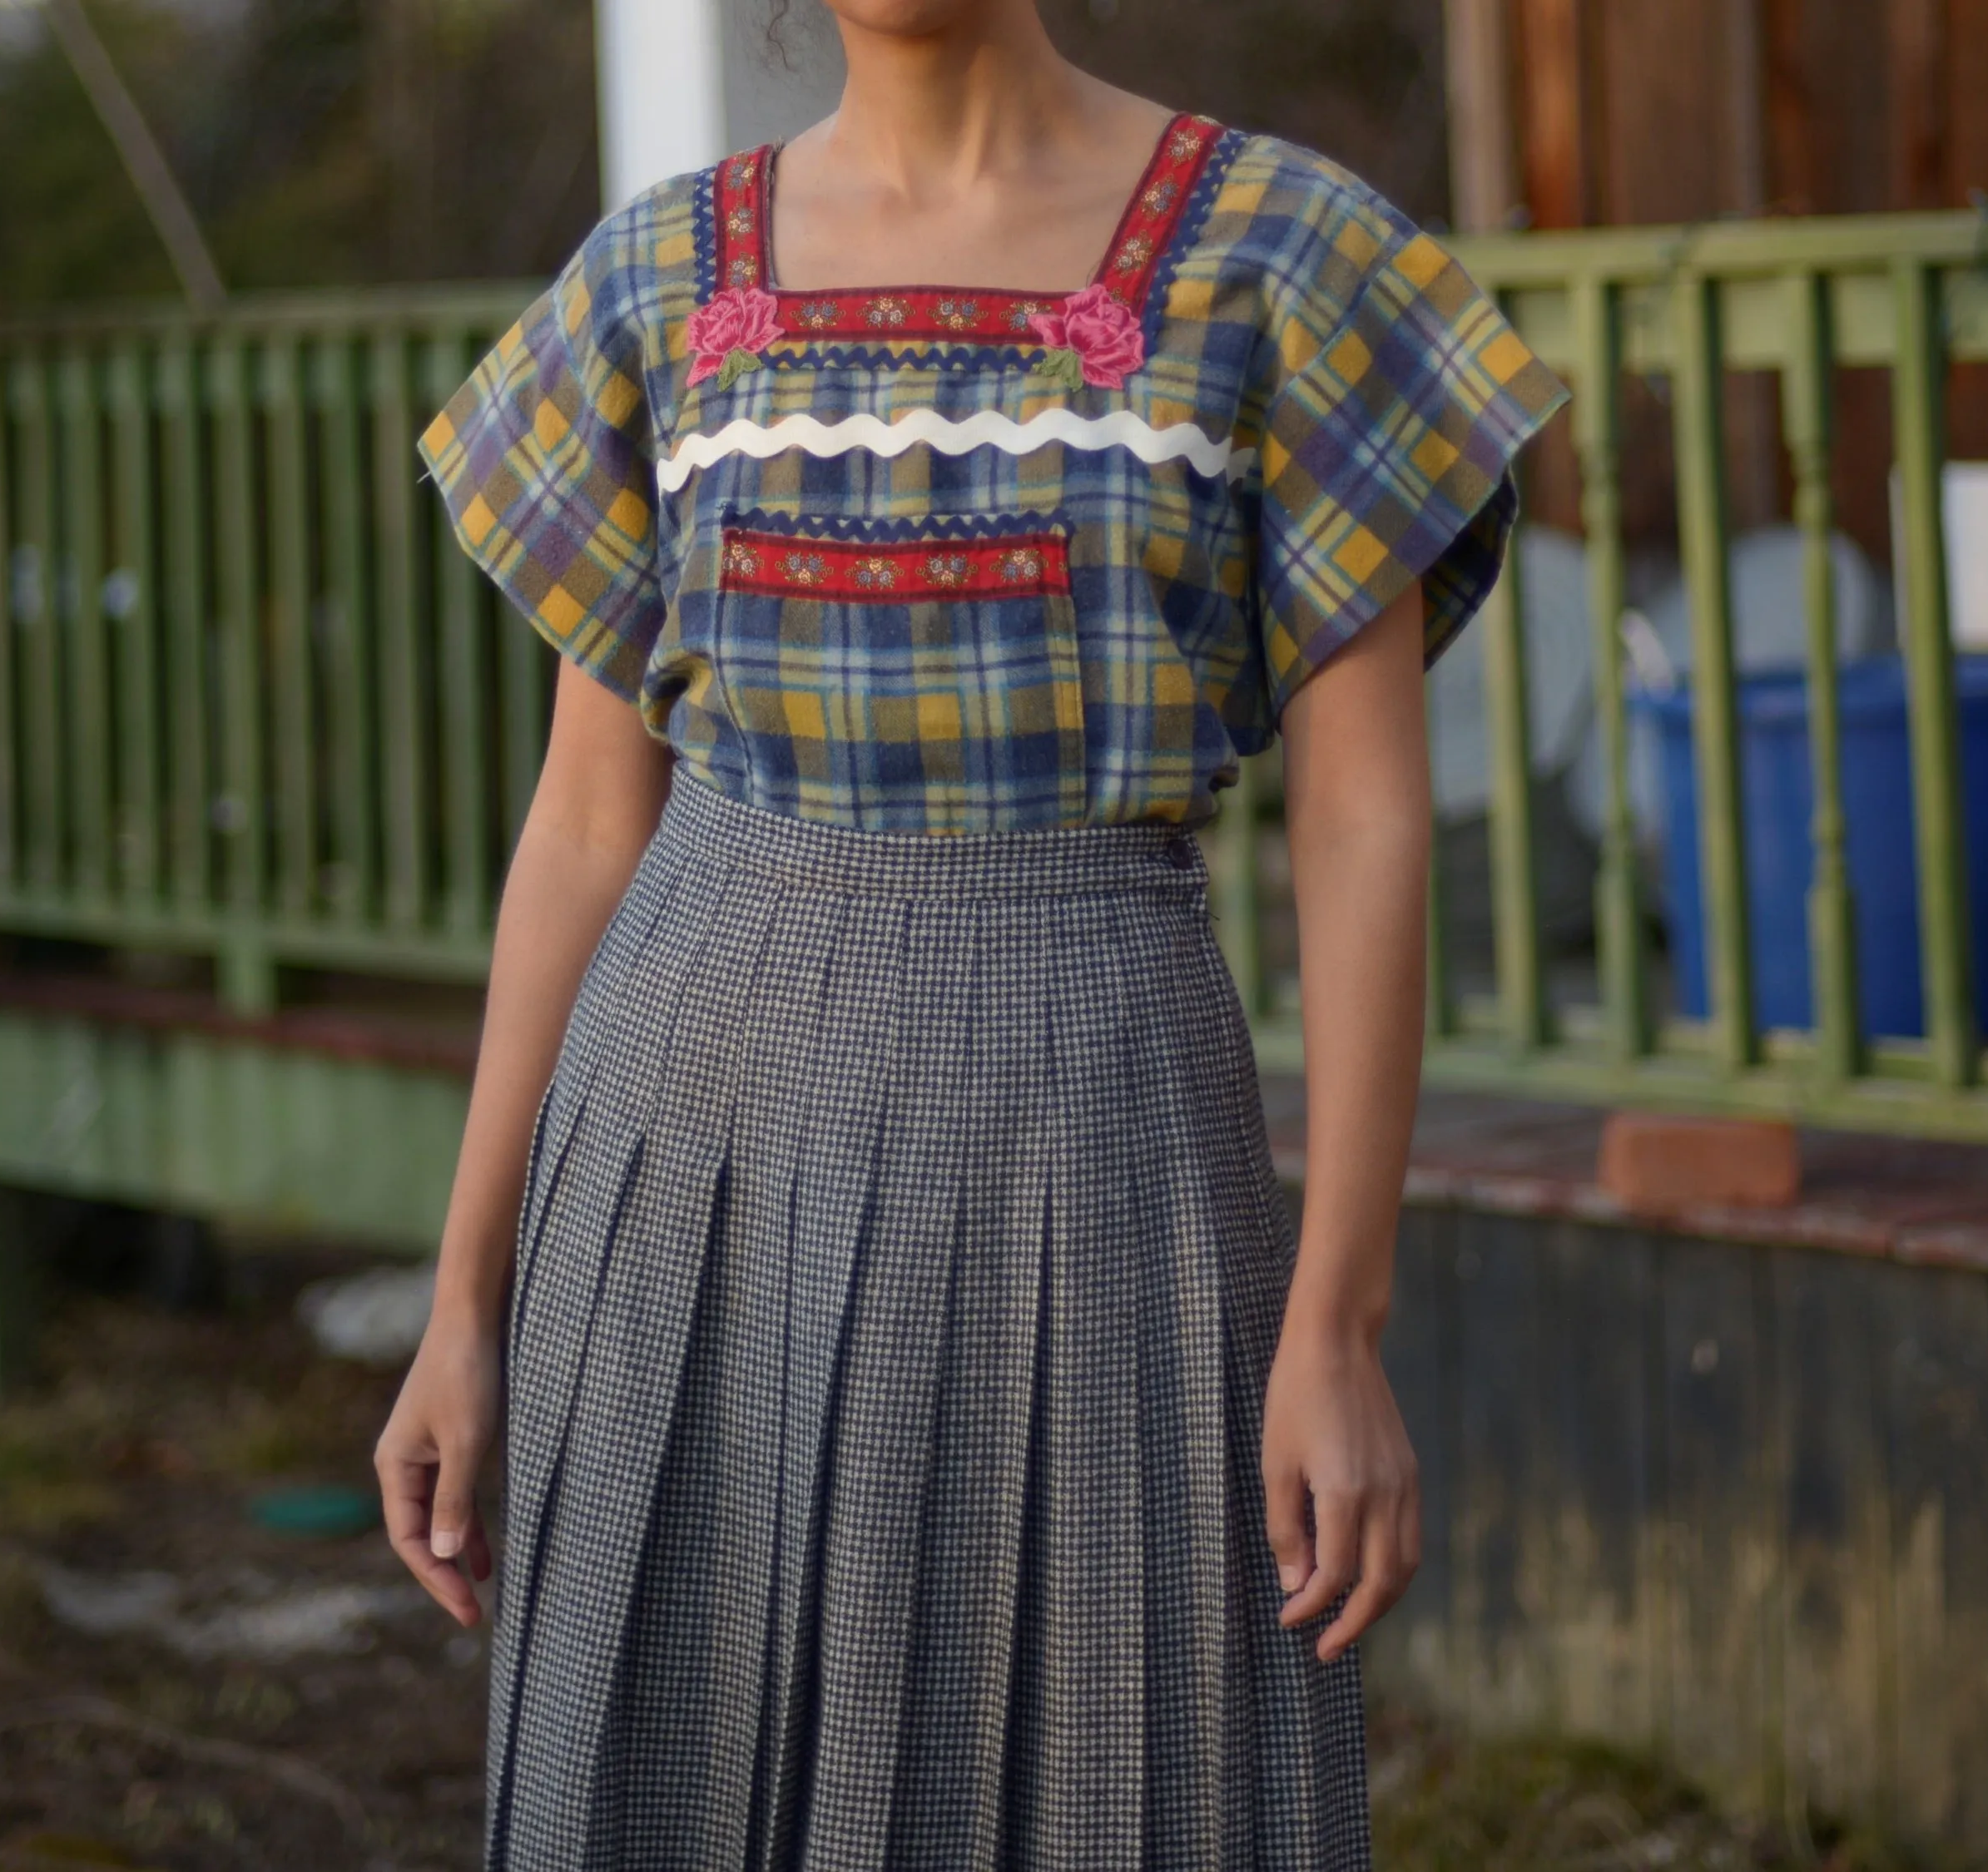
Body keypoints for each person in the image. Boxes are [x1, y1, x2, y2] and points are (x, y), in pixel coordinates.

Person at [376, 2, 1567, 1865]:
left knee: (1111, 1779)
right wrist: (463, 1303)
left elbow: (1362, 817)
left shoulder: (1289, 257)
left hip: (1091, 1139)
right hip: (690, 1138)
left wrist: (1337, 1316)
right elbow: (589, 822)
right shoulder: (660, 277)